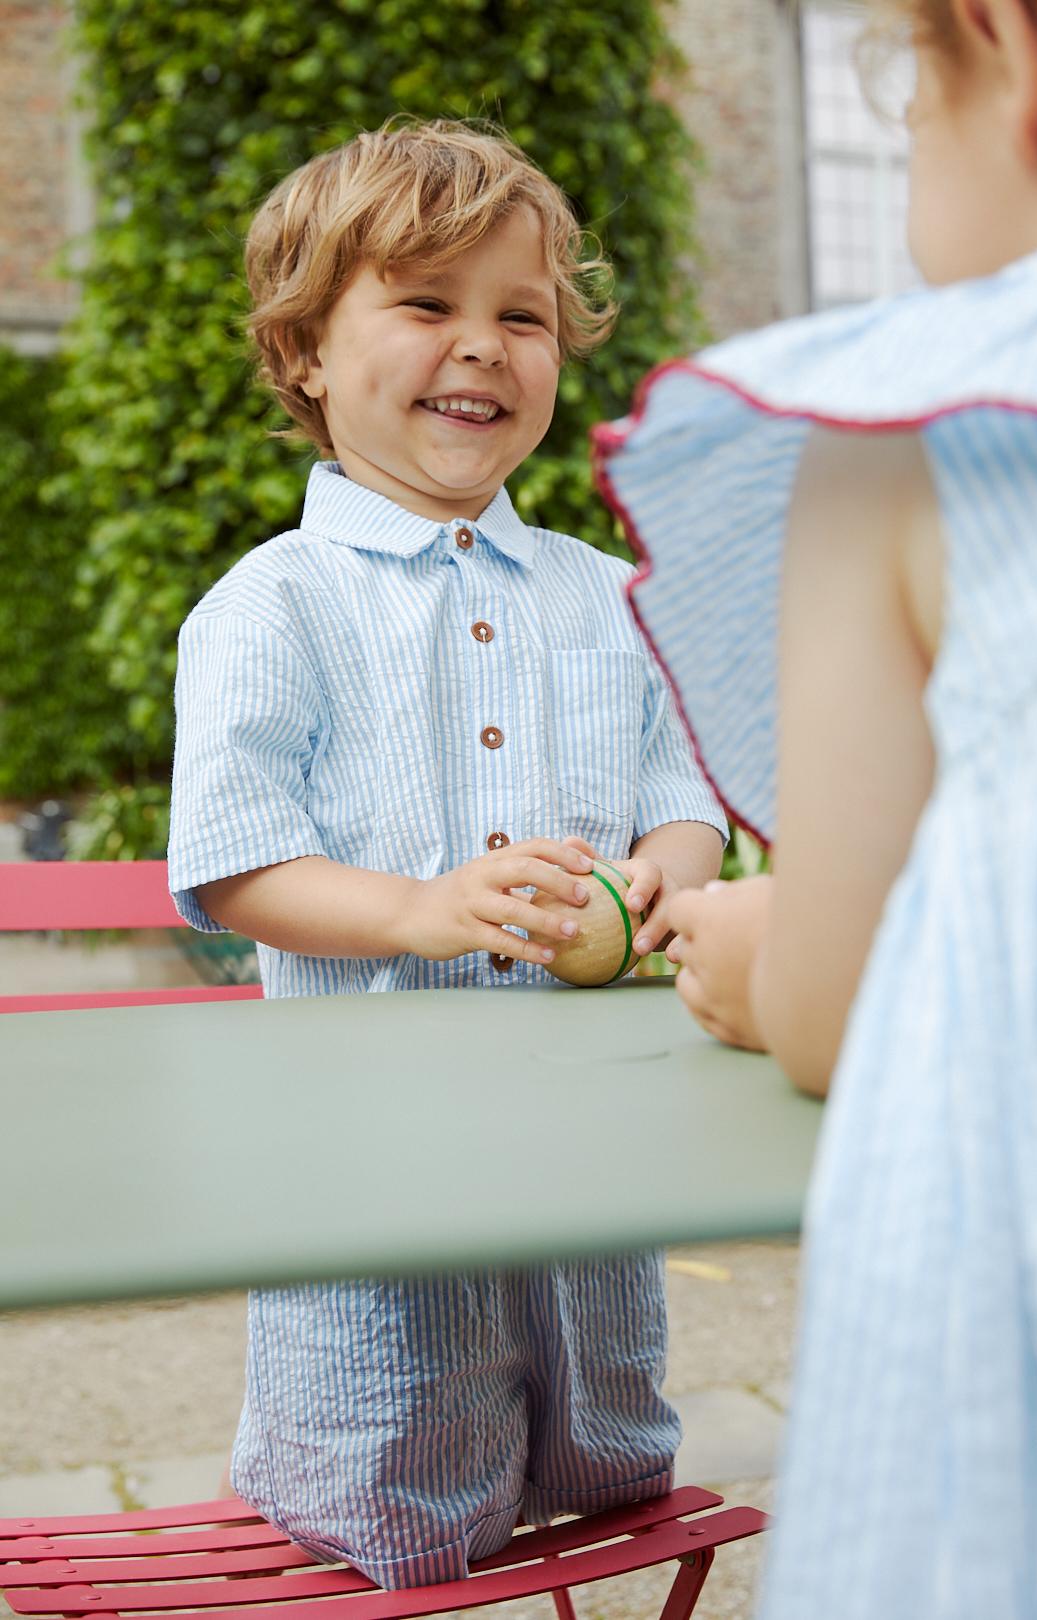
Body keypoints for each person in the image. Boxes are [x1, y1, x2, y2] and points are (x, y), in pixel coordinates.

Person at [166, 119, 726, 1589]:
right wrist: (419, 908)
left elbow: (686, 795)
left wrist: (662, 885)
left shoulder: (612, 596)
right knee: (391, 1419)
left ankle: (580, 1475)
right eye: (426, 305)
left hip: (587, 1134)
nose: (480, 347)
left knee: (592, 1380)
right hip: (373, 1143)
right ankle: (388, 1526)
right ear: (303, 351)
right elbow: (236, 858)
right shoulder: (270, 608)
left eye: (520, 316)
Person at [594, 0, 1037, 1613]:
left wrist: (747, 945)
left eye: (901, 102)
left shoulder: (912, 437)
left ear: (1022, 57)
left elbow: (838, 988)